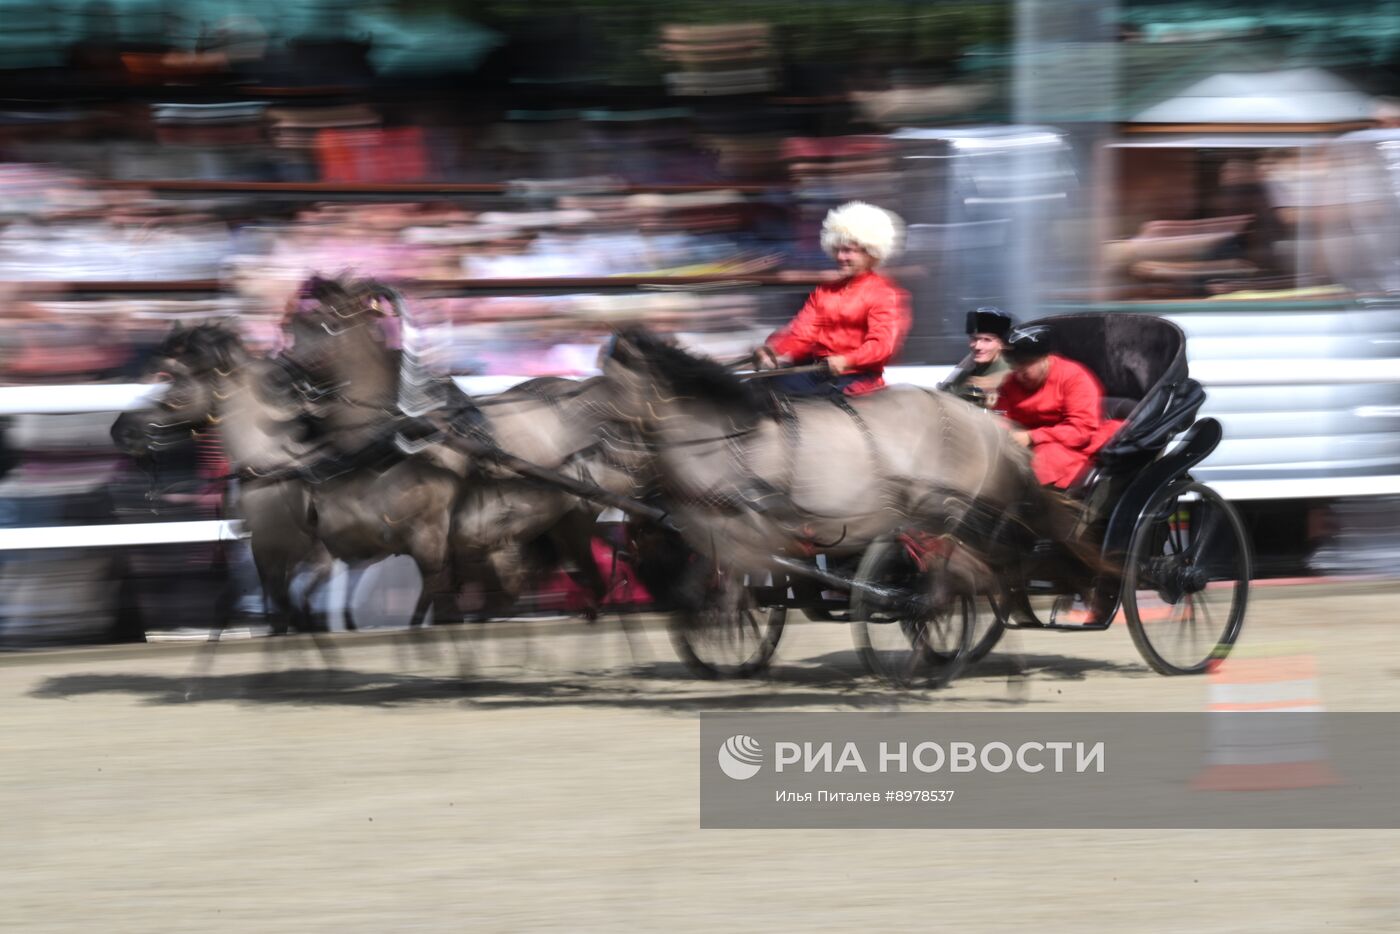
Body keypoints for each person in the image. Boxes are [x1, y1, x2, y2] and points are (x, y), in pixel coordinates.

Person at [754, 201, 911, 396]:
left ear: (870, 252)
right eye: (837, 249)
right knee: (762, 391)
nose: (840, 256)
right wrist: (773, 349)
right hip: (818, 371)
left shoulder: (885, 294)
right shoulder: (824, 291)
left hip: (857, 377)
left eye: (848, 251)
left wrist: (847, 360)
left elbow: (882, 346)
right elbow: (801, 332)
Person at [994, 325, 1122, 489]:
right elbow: (1000, 416)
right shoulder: (1009, 384)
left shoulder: (1074, 378)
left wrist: (1032, 437)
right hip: (1023, 445)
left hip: (1070, 448)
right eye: (1013, 367)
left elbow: (1081, 430)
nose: (1018, 374)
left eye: (1025, 366)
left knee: (1044, 459)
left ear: (1045, 358)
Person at [945, 306, 1013, 407]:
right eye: (974, 339)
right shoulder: (969, 366)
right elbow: (947, 393)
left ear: (1002, 344)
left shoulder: (1012, 372)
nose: (978, 346)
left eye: (987, 340)